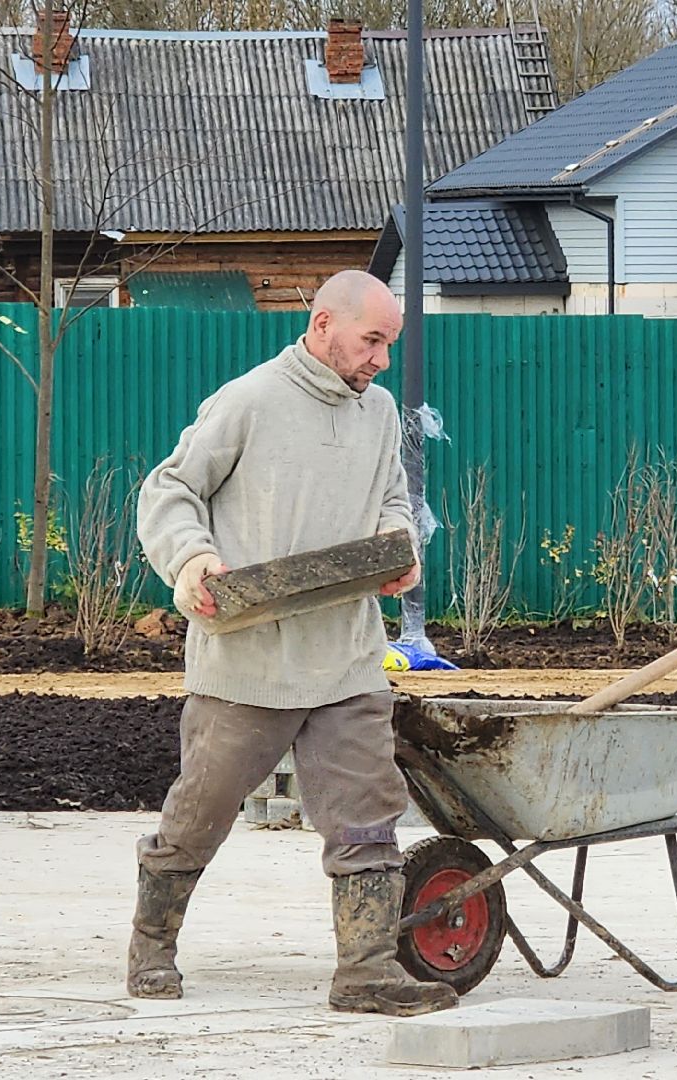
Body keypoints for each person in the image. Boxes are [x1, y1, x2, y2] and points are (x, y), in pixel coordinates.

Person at [129, 270, 454, 1017]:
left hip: (347, 656)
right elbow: (169, 490)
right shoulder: (250, 399)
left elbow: (392, 499)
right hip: (249, 657)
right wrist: (193, 561)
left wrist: (397, 545)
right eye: (371, 340)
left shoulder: (378, 412)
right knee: (200, 813)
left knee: (368, 816)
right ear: (322, 324)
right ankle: (151, 948)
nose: (381, 359)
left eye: (390, 344)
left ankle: (367, 973)